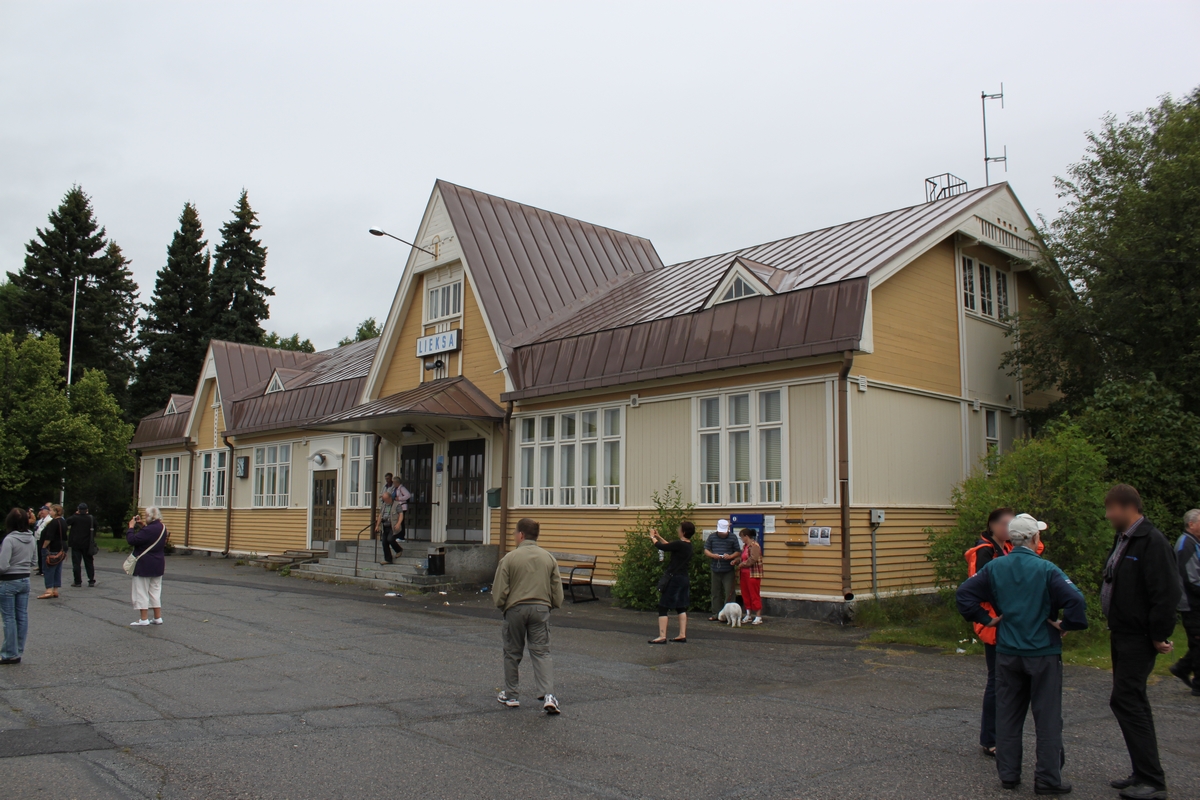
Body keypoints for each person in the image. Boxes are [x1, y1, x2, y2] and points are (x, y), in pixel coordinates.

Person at [957, 513, 1087, 796]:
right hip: (1042, 652)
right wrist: (1066, 625)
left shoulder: (995, 567)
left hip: (1008, 651)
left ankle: (1009, 774)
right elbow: (1076, 600)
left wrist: (986, 619)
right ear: (1034, 538)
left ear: (1012, 538)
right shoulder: (1047, 569)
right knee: (1048, 718)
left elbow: (964, 594)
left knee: (1008, 715)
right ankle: (1048, 778)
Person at [1100, 485, 1181, 800]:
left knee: (1126, 700)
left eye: (1111, 509)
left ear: (1127, 507)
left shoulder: (1152, 542)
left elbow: (1167, 593)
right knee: (1131, 700)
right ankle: (1141, 771)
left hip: (1138, 636)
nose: (1108, 515)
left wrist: (1159, 634)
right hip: (1121, 632)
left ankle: (1152, 780)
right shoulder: (1124, 539)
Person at [492, 518, 562, 714]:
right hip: (540, 608)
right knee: (541, 652)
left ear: (521, 535)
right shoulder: (548, 558)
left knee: (512, 651)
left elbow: (500, 591)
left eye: (515, 533)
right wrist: (552, 605)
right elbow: (557, 589)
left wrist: (503, 605)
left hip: (515, 609)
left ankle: (511, 694)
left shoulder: (510, 558)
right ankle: (548, 695)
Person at [964, 507, 1015, 757]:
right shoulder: (984, 551)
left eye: (1013, 524)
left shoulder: (1009, 548)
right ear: (993, 526)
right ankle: (990, 738)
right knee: (996, 680)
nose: (1010, 529)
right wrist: (990, 617)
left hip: (1007, 622)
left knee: (1008, 681)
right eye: (1006, 524)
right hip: (993, 623)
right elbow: (980, 586)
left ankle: (1001, 734)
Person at [0, 508, 38, 665]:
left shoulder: (9, 540)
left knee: (9, 618)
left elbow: (3, 566)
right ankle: (18, 650)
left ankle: (10, 653)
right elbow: (34, 562)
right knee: (22, 616)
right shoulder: (31, 538)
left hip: (9, 580)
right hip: (24, 579)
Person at [1169, 508, 1200, 697]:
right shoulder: (1185, 545)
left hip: (1195, 600)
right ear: (1191, 524)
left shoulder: (1194, 543)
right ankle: (1198, 684)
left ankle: (1182, 667)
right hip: (1191, 602)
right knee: (1198, 642)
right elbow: (1191, 580)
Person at [648, 522, 694, 644]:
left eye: (680, 528)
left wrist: (652, 537)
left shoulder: (680, 544)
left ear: (683, 532)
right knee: (680, 606)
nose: (678, 529)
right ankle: (682, 634)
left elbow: (662, 547)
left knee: (663, 606)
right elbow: (669, 545)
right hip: (684, 578)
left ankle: (662, 636)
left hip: (674, 579)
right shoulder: (688, 545)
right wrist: (659, 536)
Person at [126, 508, 168, 626]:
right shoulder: (162, 527)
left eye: (145, 516)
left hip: (144, 564)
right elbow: (151, 537)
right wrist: (142, 525)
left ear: (150, 517)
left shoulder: (148, 530)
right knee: (155, 591)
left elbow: (132, 540)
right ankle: (157, 617)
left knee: (141, 591)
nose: (144, 517)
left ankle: (144, 619)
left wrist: (131, 527)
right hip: (158, 563)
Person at [704, 519, 740, 621]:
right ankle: (716, 613)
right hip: (715, 568)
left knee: (729, 593)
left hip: (728, 569)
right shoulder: (712, 537)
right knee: (715, 592)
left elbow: (738, 551)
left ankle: (729, 614)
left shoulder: (733, 537)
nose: (722, 533)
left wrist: (730, 556)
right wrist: (713, 555)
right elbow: (706, 550)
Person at [37, 504, 67, 599]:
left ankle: (48, 590)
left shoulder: (53, 522)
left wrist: (43, 547)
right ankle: (55, 589)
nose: (49, 512)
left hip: (52, 548)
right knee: (57, 569)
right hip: (61, 548)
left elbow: (49, 537)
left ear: (56, 512)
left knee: (48, 569)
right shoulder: (63, 521)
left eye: (51, 510)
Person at [736, 528, 764, 625]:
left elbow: (753, 559)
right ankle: (748, 614)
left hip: (753, 574)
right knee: (745, 594)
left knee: (754, 594)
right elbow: (743, 557)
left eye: (742, 537)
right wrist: (737, 561)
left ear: (746, 536)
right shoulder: (745, 546)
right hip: (744, 574)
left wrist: (742, 564)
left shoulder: (754, 545)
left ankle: (758, 616)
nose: (741, 539)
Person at [65, 502, 97, 587]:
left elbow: (66, 522)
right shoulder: (91, 518)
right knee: (89, 562)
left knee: (76, 563)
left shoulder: (74, 518)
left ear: (78, 510)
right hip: (87, 543)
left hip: (76, 543)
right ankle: (91, 580)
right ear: (87, 510)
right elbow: (95, 526)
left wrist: (75, 514)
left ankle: (77, 581)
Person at [376, 491, 401, 563]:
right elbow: (380, 515)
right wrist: (377, 525)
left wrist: (398, 523)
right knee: (384, 542)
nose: (385, 501)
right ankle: (388, 559)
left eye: (386, 499)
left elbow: (401, 514)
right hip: (385, 526)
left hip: (393, 526)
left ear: (390, 498)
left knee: (390, 539)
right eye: (384, 499)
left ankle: (399, 550)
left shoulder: (396, 504)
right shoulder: (384, 505)